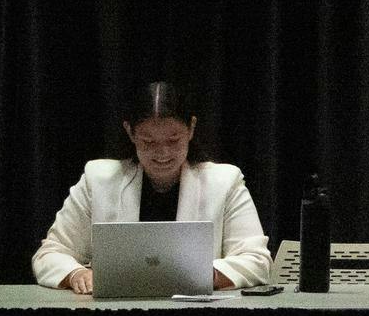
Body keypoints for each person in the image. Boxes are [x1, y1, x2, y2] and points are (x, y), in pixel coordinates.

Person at [33, 81, 273, 294]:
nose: (163, 153)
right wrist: (76, 274)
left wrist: (205, 275)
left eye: (173, 140)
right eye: (149, 142)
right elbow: (49, 255)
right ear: (130, 132)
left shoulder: (225, 181)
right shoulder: (98, 180)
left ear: (191, 129)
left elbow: (257, 261)